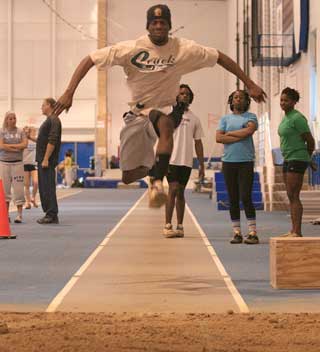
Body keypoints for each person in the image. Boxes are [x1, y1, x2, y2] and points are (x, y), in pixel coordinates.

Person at [52, 3, 266, 208]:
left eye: (163, 22)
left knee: (165, 124)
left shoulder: (183, 49)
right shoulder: (130, 49)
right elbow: (89, 59)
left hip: (167, 108)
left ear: (169, 25)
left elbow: (220, 57)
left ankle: (156, 183)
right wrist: (69, 92)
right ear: (148, 26)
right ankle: (155, 169)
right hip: (137, 113)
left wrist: (250, 83)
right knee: (128, 176)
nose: (159, 26)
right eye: (154, 22)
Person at [216, 90, 259, 245]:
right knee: (233, 198)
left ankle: (253, 232)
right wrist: (240, 134)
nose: (238, 99)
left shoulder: (251, 117)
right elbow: (218, 138)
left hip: (245, 161)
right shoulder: (225, 119)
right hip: (228, 162)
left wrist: (229, 135)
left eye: (241, 97)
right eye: (235, 97)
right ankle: (237, 232)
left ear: (246, 101)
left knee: (246, 197)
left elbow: (249, 130)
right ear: (231, 101)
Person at [163, 84, 204, 238]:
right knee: (172, 189)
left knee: (180, 192)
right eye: (181, 93)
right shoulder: (169, 115)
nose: (184, 96)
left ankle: (180, 226)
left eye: (187, 94)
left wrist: (201, 164)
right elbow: (163, 138)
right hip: (171, 160)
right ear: (176, 96)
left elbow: (198, 142)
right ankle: (168, 225)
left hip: (186, 162)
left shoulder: (195, 119)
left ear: (190, 97)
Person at [278, 87, 315, 237]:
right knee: (290, 195)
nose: (283, 103)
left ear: (294, 102)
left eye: (286, 100)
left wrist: (307, 158)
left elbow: (310, 141)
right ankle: (293, 230)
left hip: (297, 158)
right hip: (287, 158)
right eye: (281, 100)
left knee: (294, 194)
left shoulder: (297, 118)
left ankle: (297, 231)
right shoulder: (286, 118)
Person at [26, 98, 62, 224]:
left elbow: (52, 141)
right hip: (42, 160)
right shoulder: (49, 121)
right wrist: (30, 137)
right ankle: (49, 213)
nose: (41, 107)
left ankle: (51, 214)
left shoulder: (53, 120)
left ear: (50, 106)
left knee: (48, 187)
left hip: (46, 160)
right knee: (44, 187)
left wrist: (46, 158)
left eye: (43, 105)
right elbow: (43, 141)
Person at [0, 111, 28, 223]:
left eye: (14, 118)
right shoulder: (2, 131)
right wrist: (16, 148)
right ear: (6, 120)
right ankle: (5, 215)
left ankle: (19, 215)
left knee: (19, 189)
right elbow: (1, 146)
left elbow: (24, 145)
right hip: (4, 164)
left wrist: (9, 146)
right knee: (5, 190)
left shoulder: (21, 131)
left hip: (18, 164)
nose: (13, 120)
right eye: (10, 119)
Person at [23, 126, 38, 209]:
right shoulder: (25, 141)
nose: (34, 132)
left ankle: (33, 198)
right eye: (33, 131)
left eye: (35, 131)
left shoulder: (36, 141)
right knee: (27, 185)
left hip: (33, 164)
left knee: (36, 182)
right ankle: (28, 202)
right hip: (25, 164)